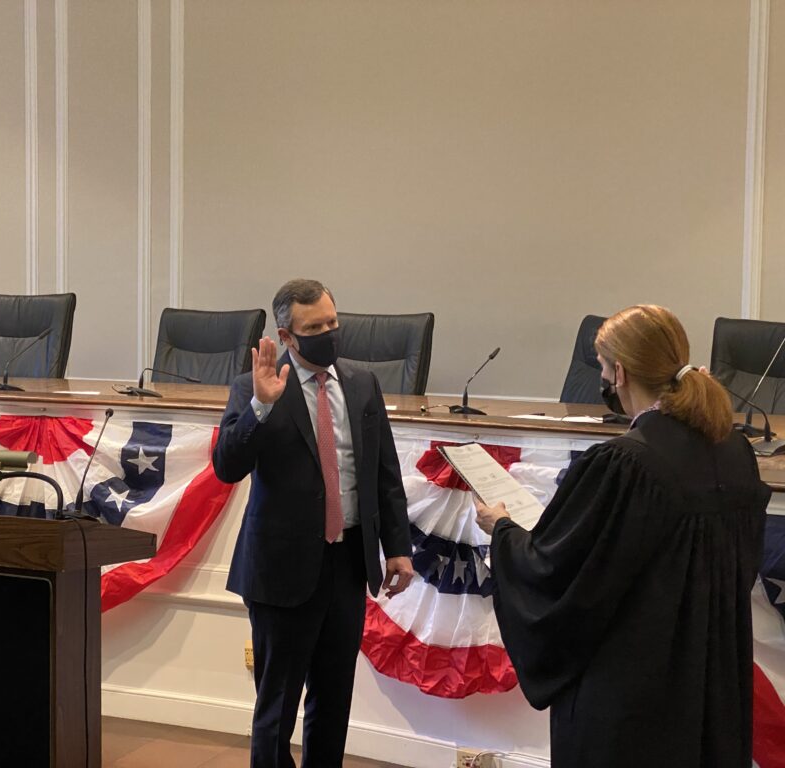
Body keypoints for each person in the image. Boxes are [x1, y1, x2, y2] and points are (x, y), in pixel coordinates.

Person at [475, 304, 770, 768]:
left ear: (620, 372)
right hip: (711, 678)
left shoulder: (626, 463)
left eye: (603, 367)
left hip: (634, 695)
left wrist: (503, 531)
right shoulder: (735, 451)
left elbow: (556, 569)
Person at [213, 278, 415, 768]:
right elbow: (226, 466)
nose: (328, 332)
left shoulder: (362, 384)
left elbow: (383, 473)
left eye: (333, 321)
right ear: (286, 336)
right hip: (281, 569)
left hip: (346, 562)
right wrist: (261, 407)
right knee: (276, 708)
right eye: (314, 327)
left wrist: (399, 547)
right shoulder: (253, 387)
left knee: (333, 699)